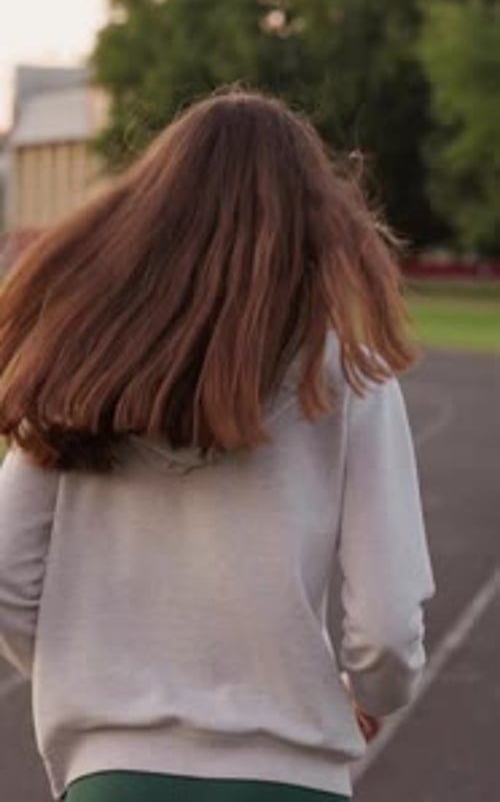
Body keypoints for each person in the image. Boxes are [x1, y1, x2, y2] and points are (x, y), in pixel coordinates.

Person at [0, 89, 435, 802]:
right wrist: (373, 694)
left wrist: (100, 686)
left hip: (114, 780)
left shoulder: (81, 368)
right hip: (293, 778)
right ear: (312, 222)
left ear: (147, 217)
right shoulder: (351, 373)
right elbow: (387, 625)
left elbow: (5, 575)